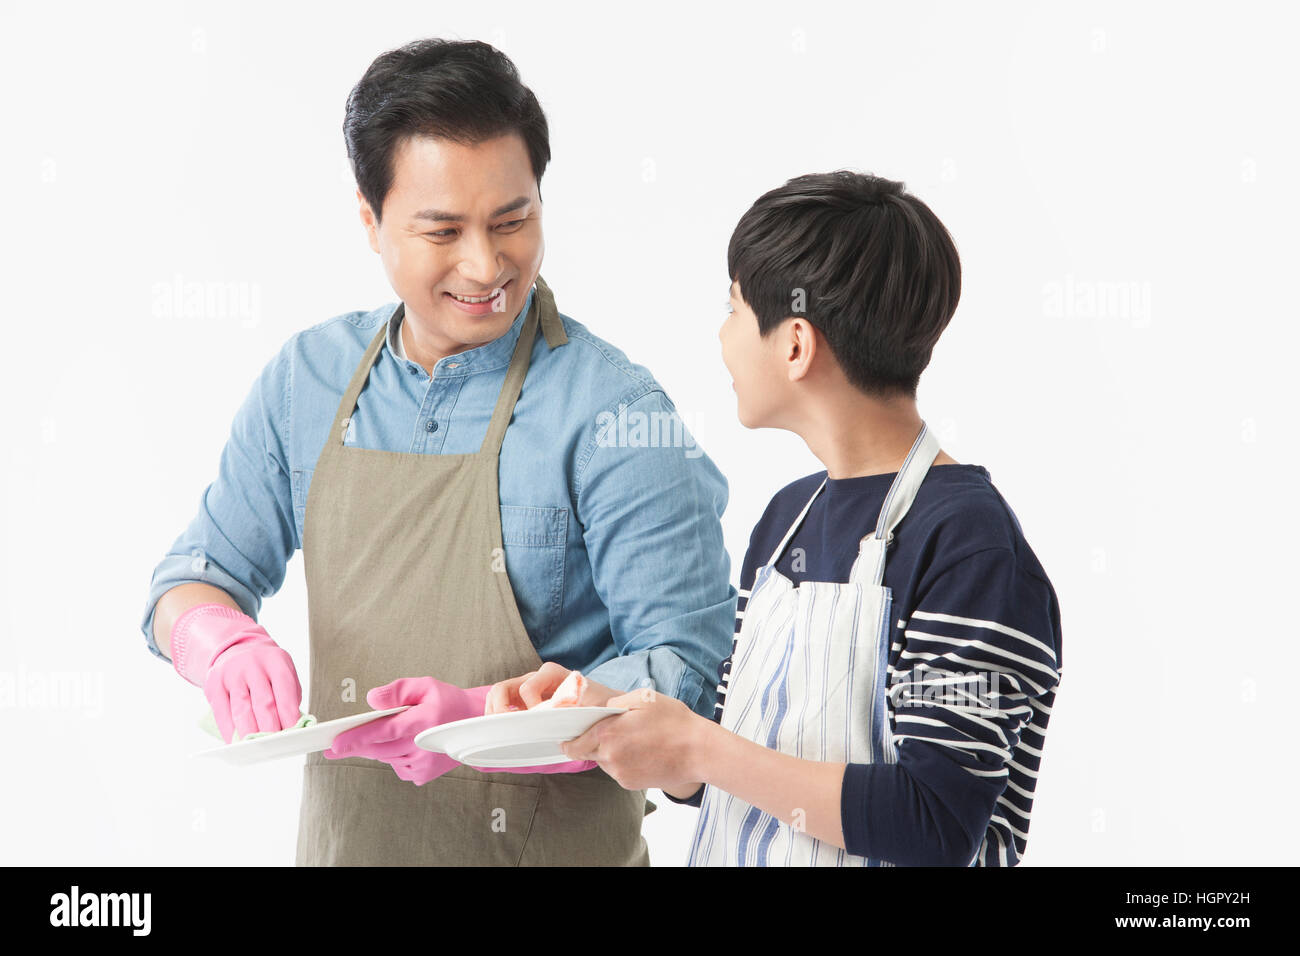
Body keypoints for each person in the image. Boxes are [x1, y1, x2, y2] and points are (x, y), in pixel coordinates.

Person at [139, 38, 735, 866]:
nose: (486, 265)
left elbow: (689, 679)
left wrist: (495, 720)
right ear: (370, 221)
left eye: (512, 221)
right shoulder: (304, 384)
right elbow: (190, 579)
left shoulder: (615, 413)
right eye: (442, 230)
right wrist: (216, 638)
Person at [528, 170, 1064, 866]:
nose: (721, 336)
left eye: (733, 307)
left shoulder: (968, 544)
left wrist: (700, 745)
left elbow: (935, 823)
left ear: (795, 345)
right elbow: (742, 763)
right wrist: (604, 713)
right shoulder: (788, 519)